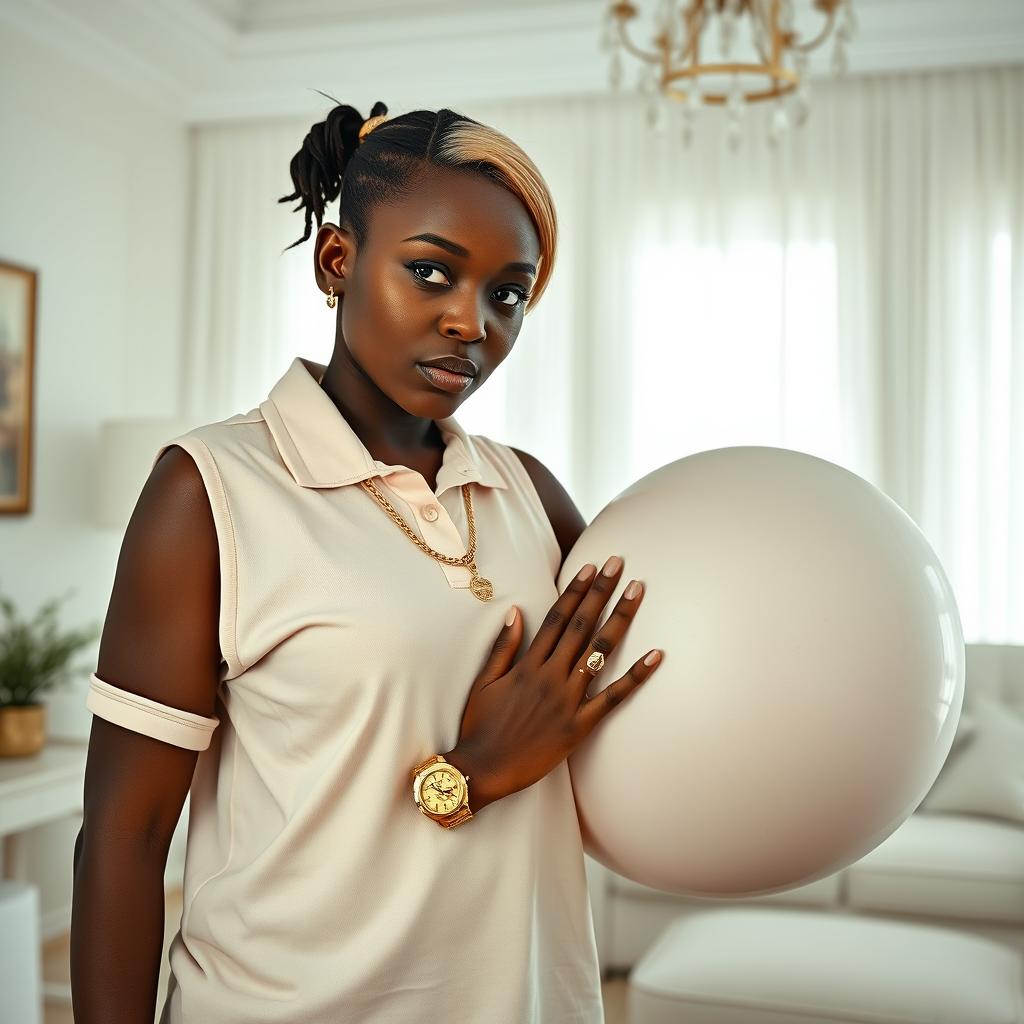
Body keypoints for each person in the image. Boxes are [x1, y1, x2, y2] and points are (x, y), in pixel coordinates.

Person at [70, 99, 664, 1024]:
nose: (473, 323)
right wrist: (467, 773)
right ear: (337, 263)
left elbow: (631, 740)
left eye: (508, 294)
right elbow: (126, 834)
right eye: (431, 272)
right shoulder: (209, 492)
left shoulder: (531, 494)